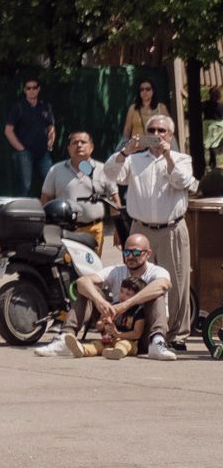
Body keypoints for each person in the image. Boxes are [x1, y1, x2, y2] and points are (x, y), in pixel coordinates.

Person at [99, 116, 195, 351]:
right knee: (136, 281)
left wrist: (168, 155)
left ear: (170, 135)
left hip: (171, 227)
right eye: (151, 129)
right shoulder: (135, 159)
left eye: (162, 130)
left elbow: (182, 181)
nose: (156, 133)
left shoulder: (182, 158)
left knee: (175, 282)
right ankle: (141, 331)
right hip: (140, 228)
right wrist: (126, 151)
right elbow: (109, 175)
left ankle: (176, 335)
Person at [61, 232, 174, 361]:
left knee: (156, 294)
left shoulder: (156, 271)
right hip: (113, 332)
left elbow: (163, 284)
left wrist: (125, 305)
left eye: (136, 253)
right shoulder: (116, 271)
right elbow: (82, 282)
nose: (130, 256)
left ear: (148, 253)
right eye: (126, 252)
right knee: (89, 289)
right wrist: (99, 302)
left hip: (144, 334)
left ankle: (157, 341)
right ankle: (65, 337)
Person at [38, 131, 113, 258]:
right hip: (66, 232)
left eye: (83, 142)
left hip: (94, 231)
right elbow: (45, 199)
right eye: (75, 143)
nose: (79, 145)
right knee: (68, 270)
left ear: (92, 147)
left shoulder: (103, 169)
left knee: (92, 271)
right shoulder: (56, 170)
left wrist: (119, 232)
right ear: (68, 148)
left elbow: (114, 200)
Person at [4, 77, 57, 196]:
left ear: (38, 89)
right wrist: (21, 149)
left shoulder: (45, 106)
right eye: (28, 88)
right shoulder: (19, 107)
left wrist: (50, 142)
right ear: (24, 90)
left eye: (34, 87)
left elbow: (51, 127)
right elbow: (8, 130)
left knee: (51, 181)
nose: (31, 90)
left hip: (43, 152)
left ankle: (52, 210)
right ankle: (21, 212)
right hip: (25, 153)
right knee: (25, 185)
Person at [123, 78, 164, 145]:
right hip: (136, 148)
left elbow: (168, 129)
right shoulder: (133, 108)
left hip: (155, 147)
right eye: (142, 90)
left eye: (148, 89)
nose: (144, 92)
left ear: (153, 91)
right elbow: (127, 130)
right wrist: (125, 145)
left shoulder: (161, 108)